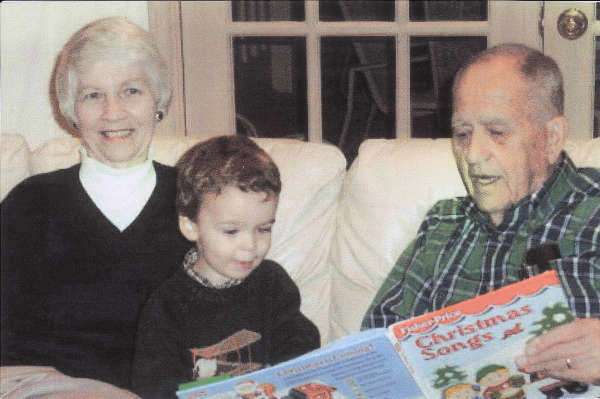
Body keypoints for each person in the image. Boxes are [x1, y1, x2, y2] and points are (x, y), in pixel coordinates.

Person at [362, 43, 600, 386]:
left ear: (552, 137)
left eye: (497, 133)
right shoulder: (444, 226)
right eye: (462, 134)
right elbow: (375, 351)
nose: (472, 155)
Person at [0, 17, 192, 390]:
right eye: (93, 95)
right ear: (72, 110)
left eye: (131, 91)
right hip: (46, 383)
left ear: (158, 101)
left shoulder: (197, 200)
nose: (113, 111)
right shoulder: (31, 204)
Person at [130, 135, 321, 399]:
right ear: (190, 226)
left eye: (264, 229)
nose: (251, 246)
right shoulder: (167, 305)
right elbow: (155, 386)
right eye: (231, 231)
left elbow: (299, 346)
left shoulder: (273, 283)